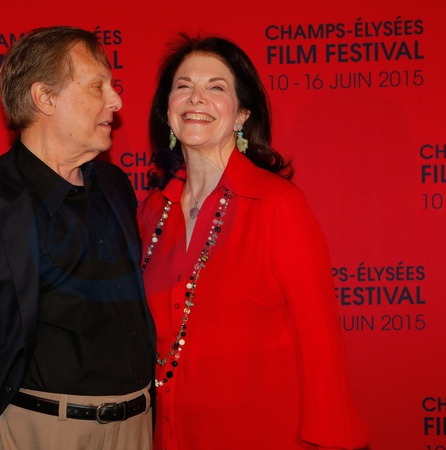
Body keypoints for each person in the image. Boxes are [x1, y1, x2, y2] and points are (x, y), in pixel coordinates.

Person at [0, 26, 155, 450]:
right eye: (98, 86)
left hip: (137, 430)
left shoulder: (115, 187)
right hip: (36, 434)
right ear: (45, 98)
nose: (117, 101)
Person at [138, 33, 371, 450]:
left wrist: (332, 440)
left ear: (241, 114)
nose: (196, 98)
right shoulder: (153, 212)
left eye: (216, 87)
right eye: (183, 86)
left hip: (263, 435)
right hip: (170, 435)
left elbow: (319, 339)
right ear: (167, 111)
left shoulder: (276, 204)